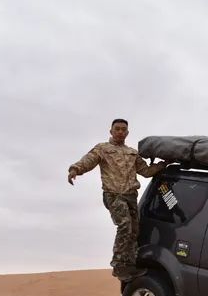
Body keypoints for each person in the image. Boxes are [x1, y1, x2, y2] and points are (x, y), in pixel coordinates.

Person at [68, 119, 168, 281]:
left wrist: (163, 165)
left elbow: (146, 171)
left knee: (134, 229)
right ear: (111, 131)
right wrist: (75, 170)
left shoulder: (132, 153)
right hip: (114, 195)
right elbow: (88, 161)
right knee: (125, 225)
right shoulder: (103, 149)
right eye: (117, 129)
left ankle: (131, 264)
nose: (120, 132)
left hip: (130, 196)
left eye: (123, 129)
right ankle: (119, 265)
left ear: (127, 133)